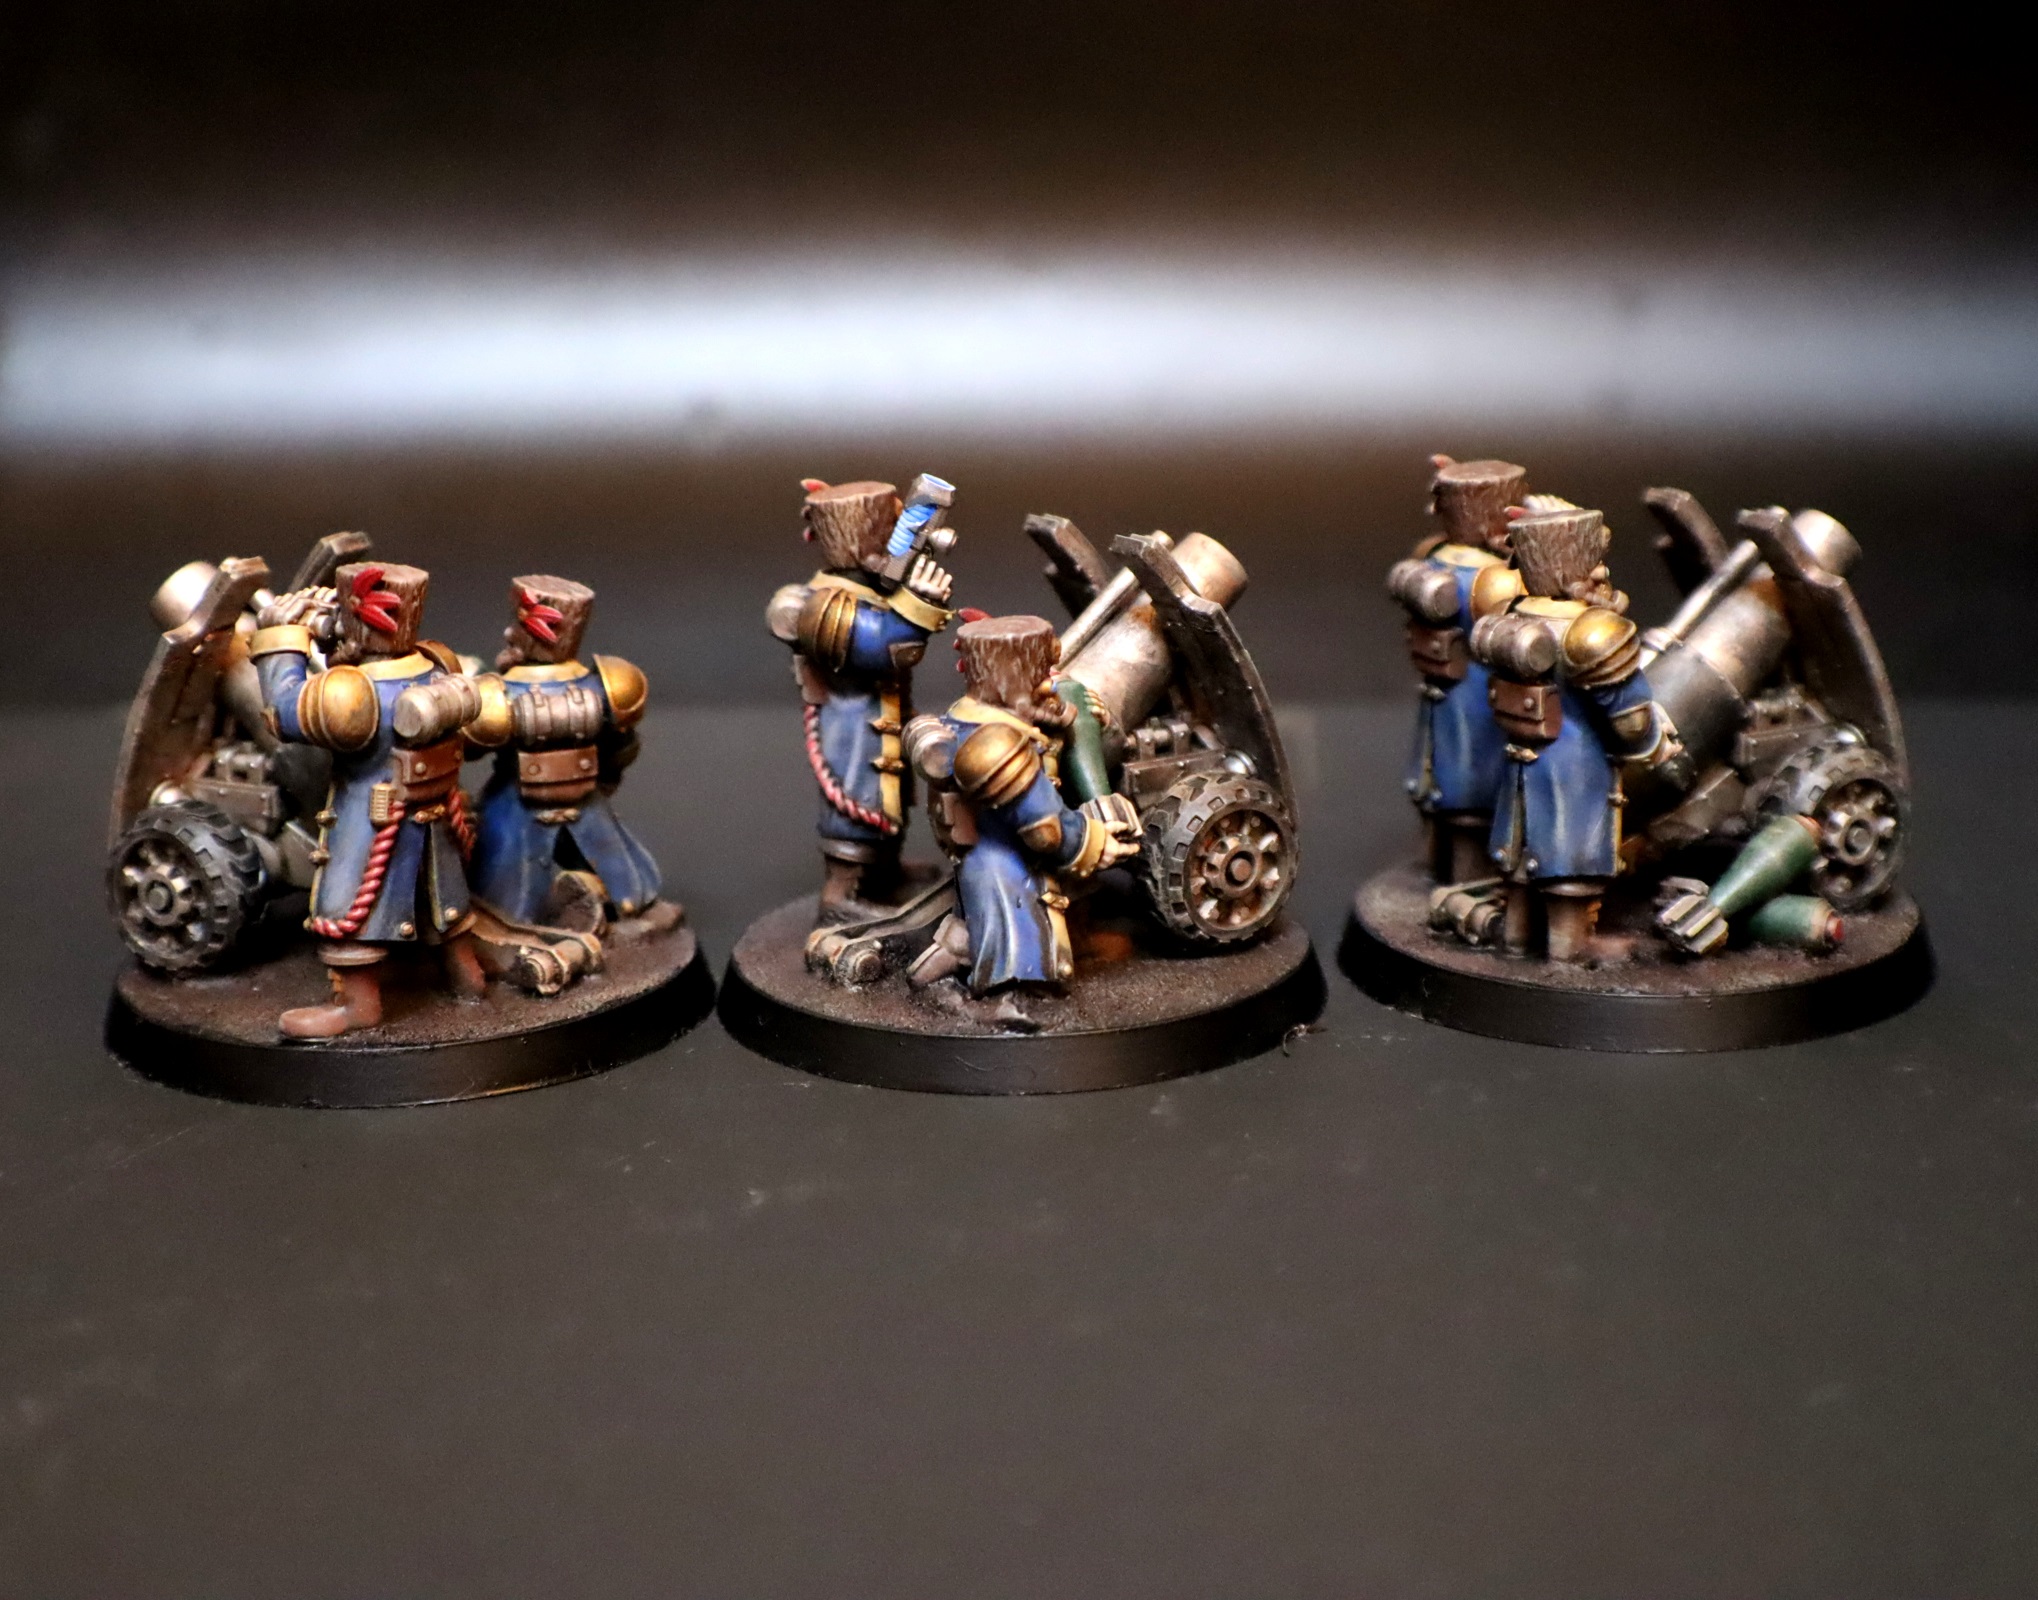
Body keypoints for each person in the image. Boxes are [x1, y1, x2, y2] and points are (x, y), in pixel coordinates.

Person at [250, 562, 488, 1036]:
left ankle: (358, 1007)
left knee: (345, 903)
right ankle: (469, 979)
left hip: (372, 816)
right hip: (434, 807)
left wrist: (280, 635)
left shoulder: (352, 694)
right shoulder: (438, 665)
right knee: (443, 898)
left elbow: (282, 712)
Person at [1469, 506, 1684, 961]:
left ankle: (1516, 939)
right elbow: (1631, 720)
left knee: (1521, 859)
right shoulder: (1591, 631)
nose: (1602, 573)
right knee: (1570, 863)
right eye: (1595, 563)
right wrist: (1654, 745)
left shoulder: (1510, 614)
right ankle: (1571, 948)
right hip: (1576, 769)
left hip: (1520, 761)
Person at [903, 615, 1140, 995]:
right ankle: (1001, 1004)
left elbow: (1053, 734)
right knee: (1017, 954)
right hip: (1008, 868)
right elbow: (1046, 829)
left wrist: (1087, 720)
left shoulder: (968, 715)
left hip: (990, 858)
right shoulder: (998, 748)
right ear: (1006, 678)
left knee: (986, 926)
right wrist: (1097, 842)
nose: (1048, 683)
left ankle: (949, 959)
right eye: (1037, 674)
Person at [767, 476, 958, 923]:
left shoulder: (868, 590)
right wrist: (919, 604)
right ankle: (841, 895)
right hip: (851, 732)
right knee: (856, 812)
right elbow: (885, 646)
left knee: (888, 805)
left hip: (879, 722)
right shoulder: (822, 606)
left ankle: (885, 873)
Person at [465, 574, 675, 931]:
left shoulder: (602, 685)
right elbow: (469, 747)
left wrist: (605, 778)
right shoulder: (502, 694)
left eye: (521, 624)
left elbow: (621, 745)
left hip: (577, 801)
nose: (510, 634)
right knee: (506, 899)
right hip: (522, 803)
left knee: (621, 880)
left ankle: (608, 902)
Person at [1385, 455, 1525, 883]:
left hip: (1444, 692)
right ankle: (1466, 882)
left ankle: (1434, 870)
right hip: (1480, 696)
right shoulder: (1497, 579)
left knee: (1439, 785)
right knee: (1472, 799)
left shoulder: (1431, 556)